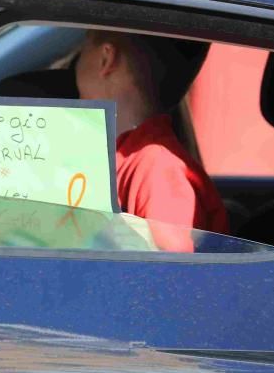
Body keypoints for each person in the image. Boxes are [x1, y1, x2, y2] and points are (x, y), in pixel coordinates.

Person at [73, 30, 228, 235]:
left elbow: (172, 261)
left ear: (106, 58)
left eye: (85, 44)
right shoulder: (130, 159)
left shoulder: (158, 167)